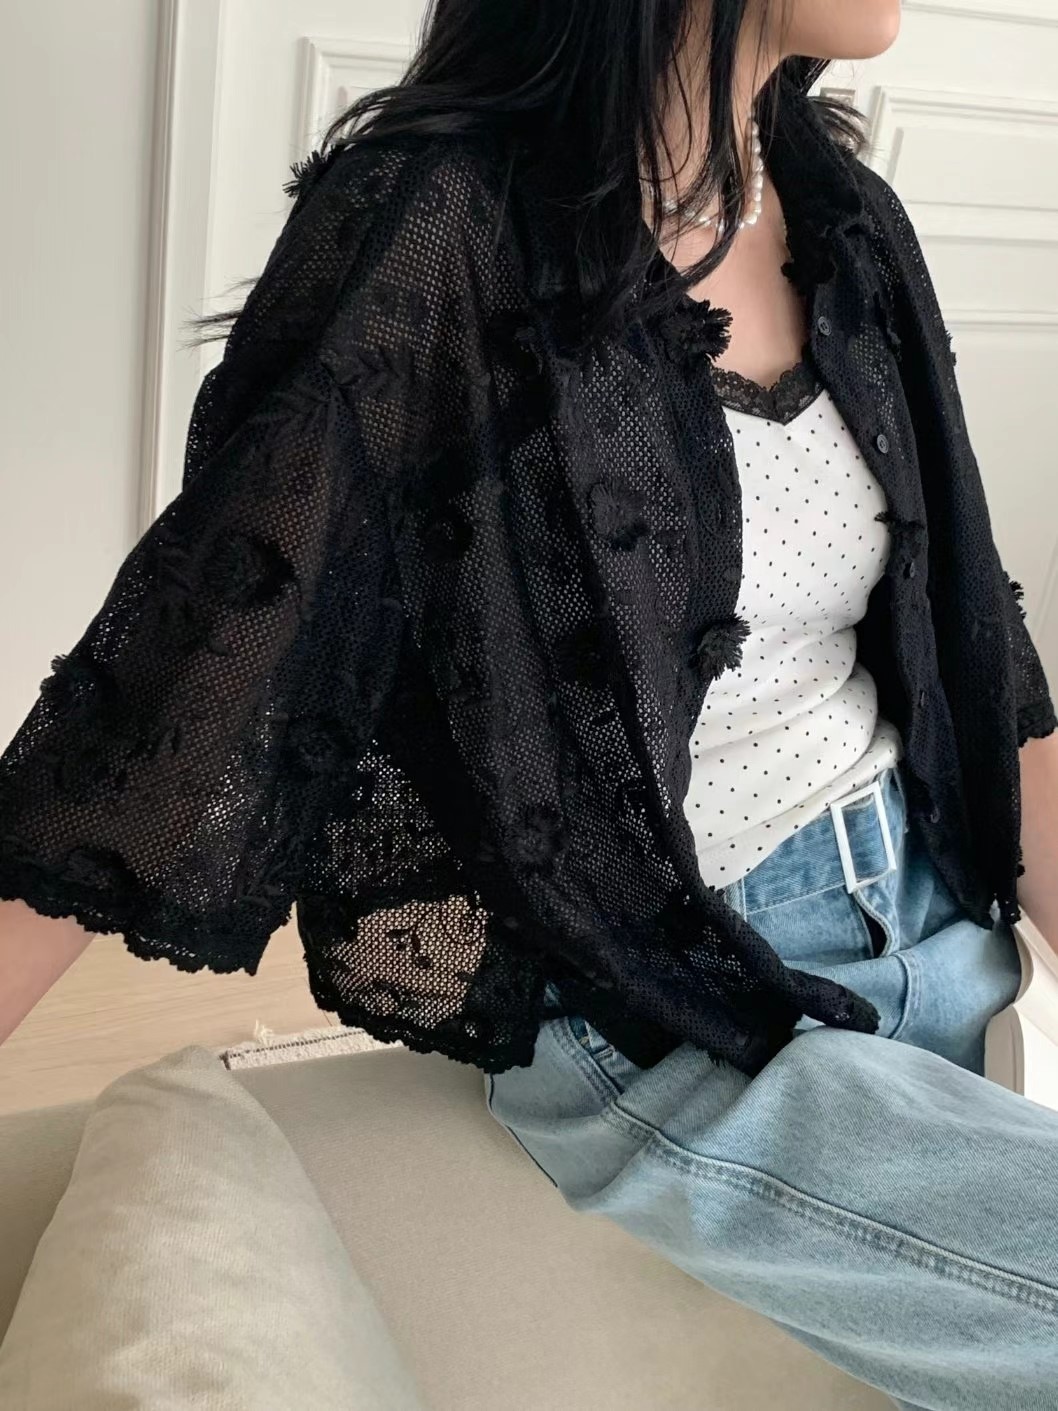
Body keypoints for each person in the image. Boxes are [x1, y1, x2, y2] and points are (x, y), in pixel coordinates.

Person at [2, 1, 1058, 1405]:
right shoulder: (438, 223)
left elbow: (985, 676)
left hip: (943, 932)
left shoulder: (843, 216)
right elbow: (177, 700)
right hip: (667, 1005)